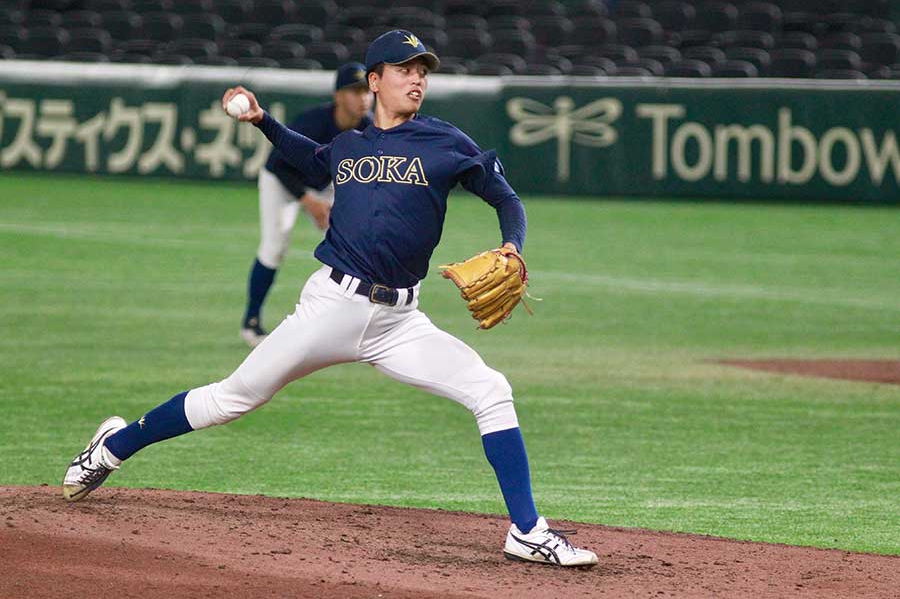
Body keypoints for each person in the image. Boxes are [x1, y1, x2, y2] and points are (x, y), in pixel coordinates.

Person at [62, 30, 598, 568]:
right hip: (331, 308)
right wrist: (262, 121)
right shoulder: (349, 145)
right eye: (405, 69)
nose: (417, 79)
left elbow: (506, 199)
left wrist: (512, 246)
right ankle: (110, 448)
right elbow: (311, 156)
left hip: (400, 322)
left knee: (491, 390)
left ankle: (527, 531)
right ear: (375, 81)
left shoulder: (445, 142)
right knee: (231, 399)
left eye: (422, 71)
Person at [241, 62, 374, 347]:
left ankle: (352, 323)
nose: (363, 98)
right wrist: (308, 201)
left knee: (354, 245)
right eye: (355, 91)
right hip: (282, 182)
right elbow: (277, 164)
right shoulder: (314, 122)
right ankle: (251, 322)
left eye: (367, 91)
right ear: (338, 95)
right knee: (274, 247)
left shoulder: (370, 128)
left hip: (325, 185)